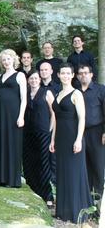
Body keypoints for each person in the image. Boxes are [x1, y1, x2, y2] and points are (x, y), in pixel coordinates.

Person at [50, 63, 92, 223]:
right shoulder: (58, 93)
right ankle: (63, 211)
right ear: (59, 75)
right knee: (62, 173)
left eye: (68, 73)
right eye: (63, 73)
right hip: (60, 139)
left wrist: (78, 140)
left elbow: (82, 118)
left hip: (73, 138)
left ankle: (76, 211)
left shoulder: (77, 94)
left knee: (74, 173)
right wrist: (52, 139)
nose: (66, 76)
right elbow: (56, 119)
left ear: (72, 75)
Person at [0, 49, 27, 188]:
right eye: (4, 60)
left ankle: (12, 179)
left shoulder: (20, 75)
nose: (6, 62)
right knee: (0, 143)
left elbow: (23, 98)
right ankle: (0, 177)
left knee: (12, 144)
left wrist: (21, 116)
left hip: (13, 115)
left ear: (13, 59)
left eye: (8, 59)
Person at [23, 71, 55, 208]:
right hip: (28, 134)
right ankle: (33, 193)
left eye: (36, 78)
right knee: (29, 163)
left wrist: (50, 130)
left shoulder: (47, 93)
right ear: (28, 80)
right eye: (31, 78)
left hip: (43, 133)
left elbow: (54, 113)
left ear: (40, 80)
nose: (34, 80)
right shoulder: (25, 94)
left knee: (43, 164)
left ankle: (48, 196)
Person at [77, 65, 105, 198]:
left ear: (91, 74)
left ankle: (98, 202)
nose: (83, 75)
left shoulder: (100, 90)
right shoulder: (75, 91)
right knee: (84, 167)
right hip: (79, 134)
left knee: (98, 166)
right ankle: (86, 201)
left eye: (86, 73)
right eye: (80, 73)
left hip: (97, 133)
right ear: (77, 76)